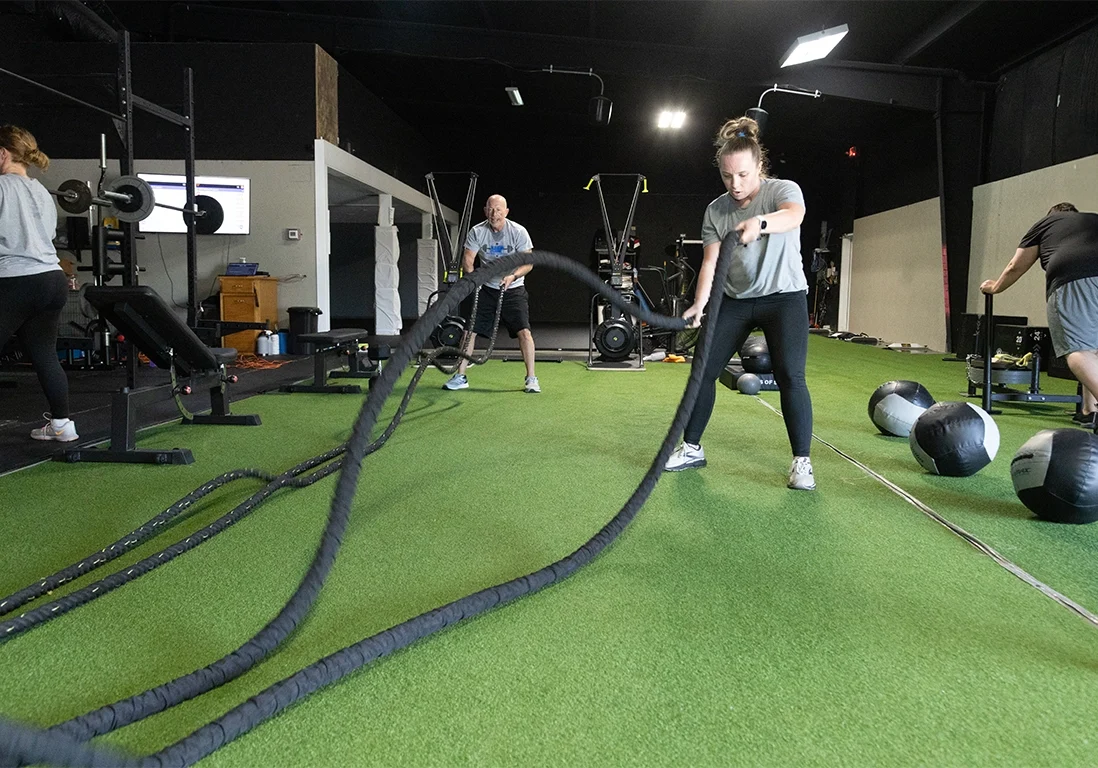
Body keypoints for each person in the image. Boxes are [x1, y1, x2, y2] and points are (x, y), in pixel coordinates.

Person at [664, 116, 815, 490]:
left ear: (759, 167)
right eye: (728, 176)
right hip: (736, 300)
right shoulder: (716, 211)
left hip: (784, 297)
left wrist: (760, 223)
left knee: (790, 376)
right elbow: (711, 261)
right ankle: (693, 447)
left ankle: (802, 462)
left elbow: (795, 215)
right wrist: (699, 303)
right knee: (703, 371)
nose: (736, 184)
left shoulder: (782, 190)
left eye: (744, 175)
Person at [980, 202, 1098, 428]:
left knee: (1078, 349)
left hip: (1075, 277)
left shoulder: (1046, 223)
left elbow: (1016, 265)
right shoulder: (1092, 219)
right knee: (1094, 348)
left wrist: (995, 287)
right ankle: (1089, 410)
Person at [0, 125, 78, 442]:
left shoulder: (2, 187)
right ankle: (62, 426)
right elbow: (44, 238)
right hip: (52, 279)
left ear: (2, 153)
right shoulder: (41, 192)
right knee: (45, 354)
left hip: (17, 281)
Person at [443, 194, 540, 393]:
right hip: (487, 288)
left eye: (498, 209)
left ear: (506, 212)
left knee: (524, 332)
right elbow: (468, 260)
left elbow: (528, 263)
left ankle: (531, 378)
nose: (494, 213)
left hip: (513, 288)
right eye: (490, 209)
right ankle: (460, 376)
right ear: (485, 210)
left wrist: (513, 276)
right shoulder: (478, 231)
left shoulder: (518, 232)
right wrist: (474, 280)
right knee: (469, 332)